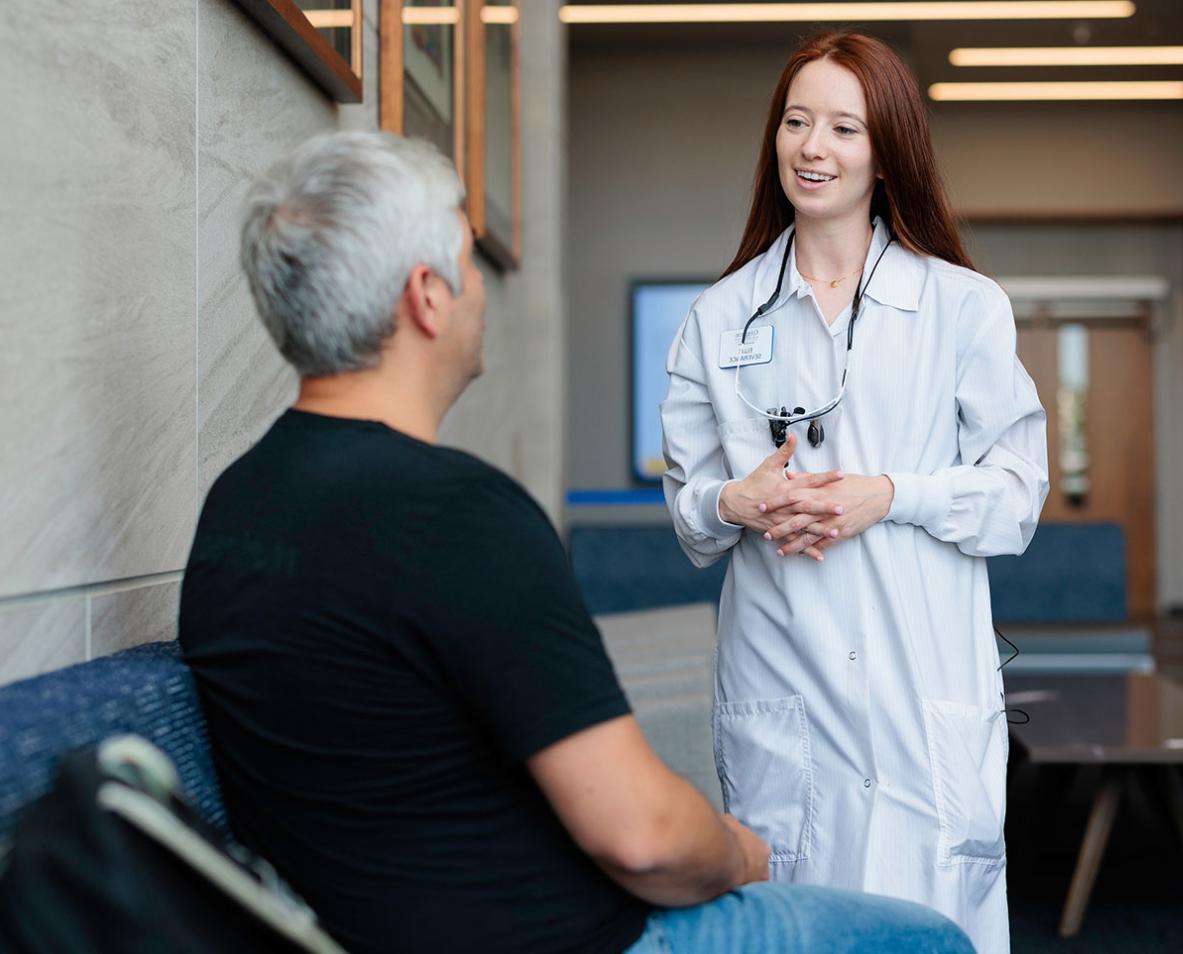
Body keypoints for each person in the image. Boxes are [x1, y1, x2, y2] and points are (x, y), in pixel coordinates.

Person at [178, 131, 973, 954]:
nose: (481, 289)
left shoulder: (237, 505)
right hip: (570, 941)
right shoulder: (461, 517)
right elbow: (646, 839)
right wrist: (741, 851)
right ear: (427, 297)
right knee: (931, 940)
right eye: (468, 260)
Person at [660, 30, 1049, 954]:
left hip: (925, 680)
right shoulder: (719, 317)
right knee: (799, 919)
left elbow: (1018, 496)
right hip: (781, 673)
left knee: (932, 922)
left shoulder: (961, 305)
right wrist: (733, 503)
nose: (813, 147)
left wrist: (890, 494)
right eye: (797, 122)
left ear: (887, 154)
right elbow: (687, 512)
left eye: (843, 127)